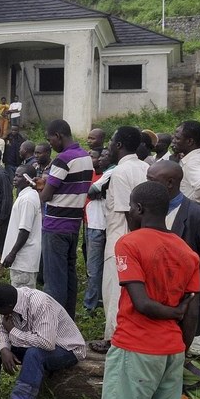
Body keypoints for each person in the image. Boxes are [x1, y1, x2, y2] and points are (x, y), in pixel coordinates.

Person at [97, 181, 200, 399]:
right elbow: (192, 311)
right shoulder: (187, 252)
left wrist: (176, 312)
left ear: (139, 209)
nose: (129, 213)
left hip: (135, 348)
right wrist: (180, 348)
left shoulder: (129, 243)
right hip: (172, 352)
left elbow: (141, 303)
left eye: (131, 208)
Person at [147, 160, 200, 357]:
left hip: (186, 306)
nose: (146, 184)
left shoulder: (198, 216)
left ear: (170, 183)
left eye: (151, 180)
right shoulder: (146, 210)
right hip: (156, 304)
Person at [94, 126, 149, 352]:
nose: (107, 145)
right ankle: (128, 335)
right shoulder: (147, 166)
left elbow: (129, 212)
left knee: (114, 292)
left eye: (111, 141)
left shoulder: (120, 173)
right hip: (143, 240)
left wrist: (132, 244)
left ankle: (114, 340)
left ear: (118, 145)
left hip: (121, 241)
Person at [38, 119, 93, 319]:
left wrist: (38, 189)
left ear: (58, 136)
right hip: (73, 225)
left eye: (49, 139)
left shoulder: (63, 159)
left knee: (53, 280)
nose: (49, 143)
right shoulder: (85, 157)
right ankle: (68, 321)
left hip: (55, 226)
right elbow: (70, 186)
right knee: (69, 276)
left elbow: (46, 196)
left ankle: (53, 324)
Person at [2, 166, 42, 289]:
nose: (14, 178)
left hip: (23, 260)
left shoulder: (28, 200)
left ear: (27, 180)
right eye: (15, 175)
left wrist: (12, 254)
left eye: (18, 176)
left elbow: (25, 230)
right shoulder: (27, 196)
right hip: (23, 260)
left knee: (22, 298)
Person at [84, 151, 108, 312]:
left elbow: (91, 192)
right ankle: (96, 297)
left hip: (100, 225)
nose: (92, 159)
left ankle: (90, 305)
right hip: (88, 221)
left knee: (95, 267)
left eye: (95, 156)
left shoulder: (107, 175)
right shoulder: (90, 174)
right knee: (91, 264)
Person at [173, 120, 200, 206]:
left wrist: (194, 205)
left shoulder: (193, 162)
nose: (174, 141)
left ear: (190, 141)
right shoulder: (199, 157)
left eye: (177, 138)